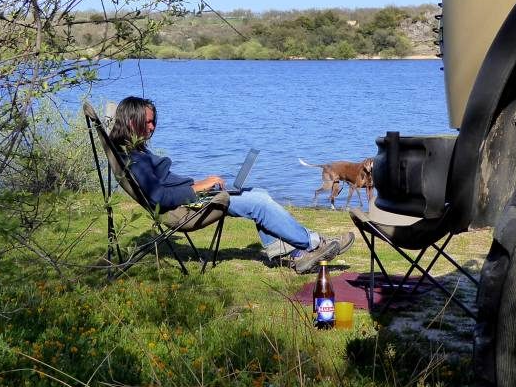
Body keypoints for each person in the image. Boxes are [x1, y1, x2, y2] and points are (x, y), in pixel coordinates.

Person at [108, 96, 353, 273]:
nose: (152, 127)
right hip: (183, 210)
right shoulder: (133, 158)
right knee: (258, 203)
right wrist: (198, 188)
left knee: (258, 193)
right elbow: (159, 196)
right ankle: (315, 243)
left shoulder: (131, 150)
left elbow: (162, 186)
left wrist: (202, 184)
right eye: (147, 122)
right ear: (131, 121)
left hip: (186, 201)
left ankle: (296, 254)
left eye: (153, 122)